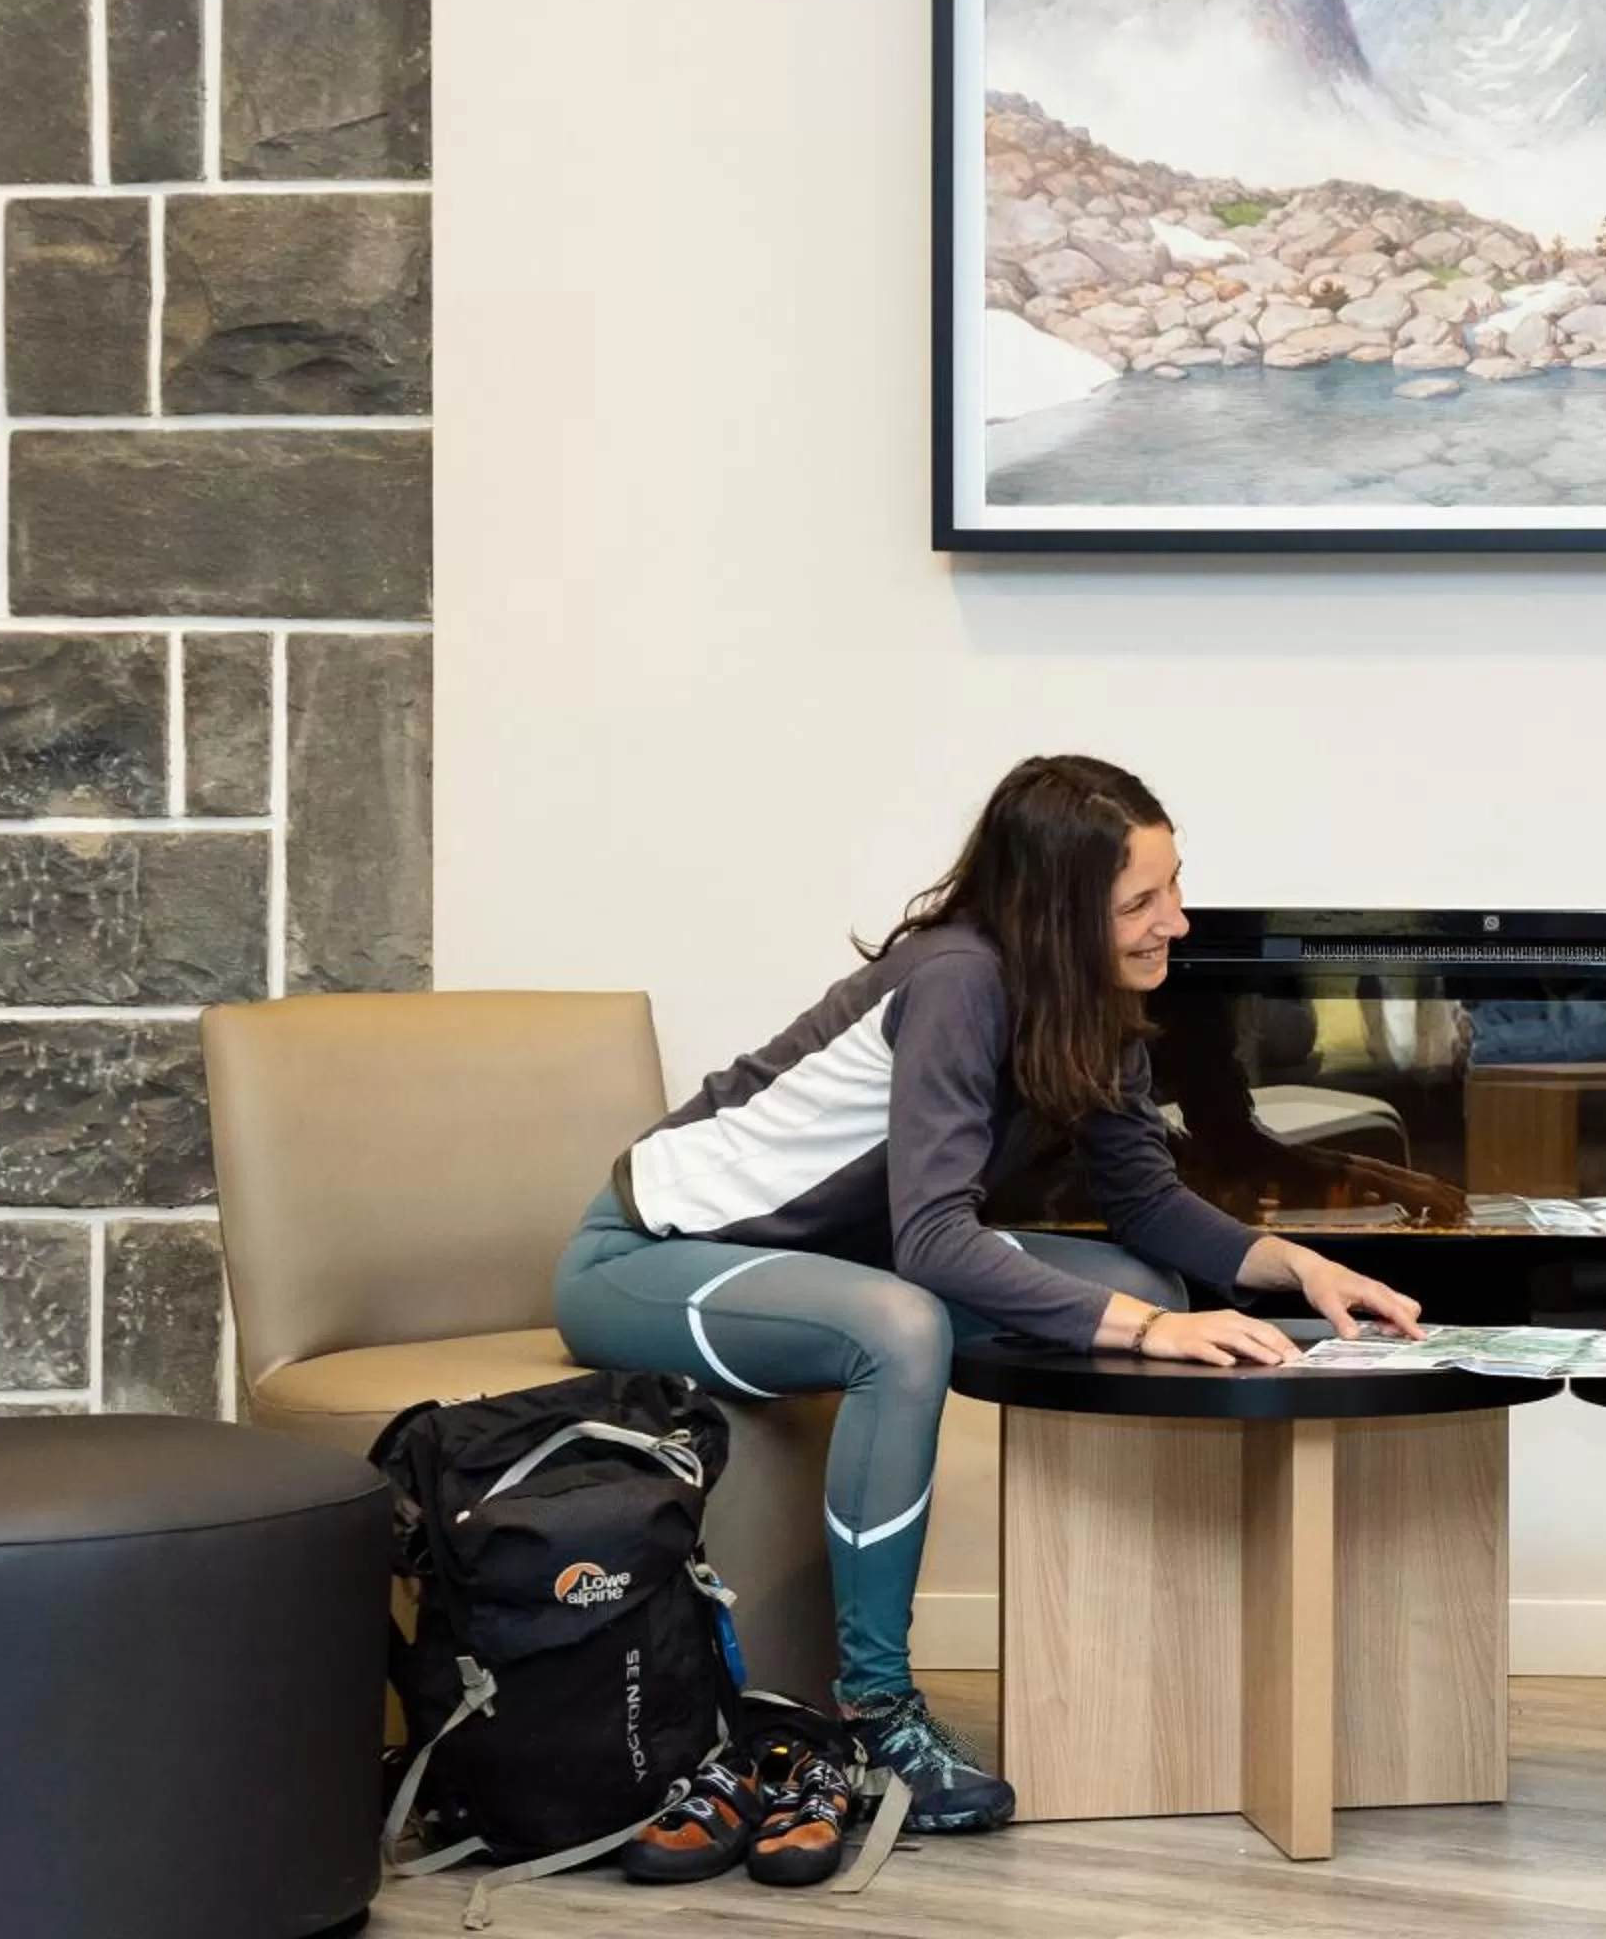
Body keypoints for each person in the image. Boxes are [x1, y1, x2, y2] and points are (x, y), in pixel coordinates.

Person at [555, 755, 1426, 1837]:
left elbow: (1147, 1203)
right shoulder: (958, 979)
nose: (1178, 922)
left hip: (826, 1262)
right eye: (1141, 902)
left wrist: (1294, 1263)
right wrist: (1156, 1327)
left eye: (1174, 886)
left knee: (1133, 1278)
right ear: (1060, 912)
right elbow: (929, 1239)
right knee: (907, 1325)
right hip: (648, 1259)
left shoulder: (1086, 999)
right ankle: (876, 1707)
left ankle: (1126, 1651)